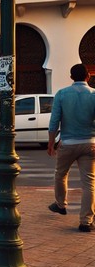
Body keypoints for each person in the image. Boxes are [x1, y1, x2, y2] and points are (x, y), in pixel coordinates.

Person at [46, 63, 95, 232]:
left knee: (60, 174)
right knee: (89, 182)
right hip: (89, 143)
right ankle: (86, 221)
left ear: (71, 77)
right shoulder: (94, 95)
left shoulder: (62, 94)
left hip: (67, 143)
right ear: (88, 76)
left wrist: (51, 142)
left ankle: (61, 204)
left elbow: (54, 121)